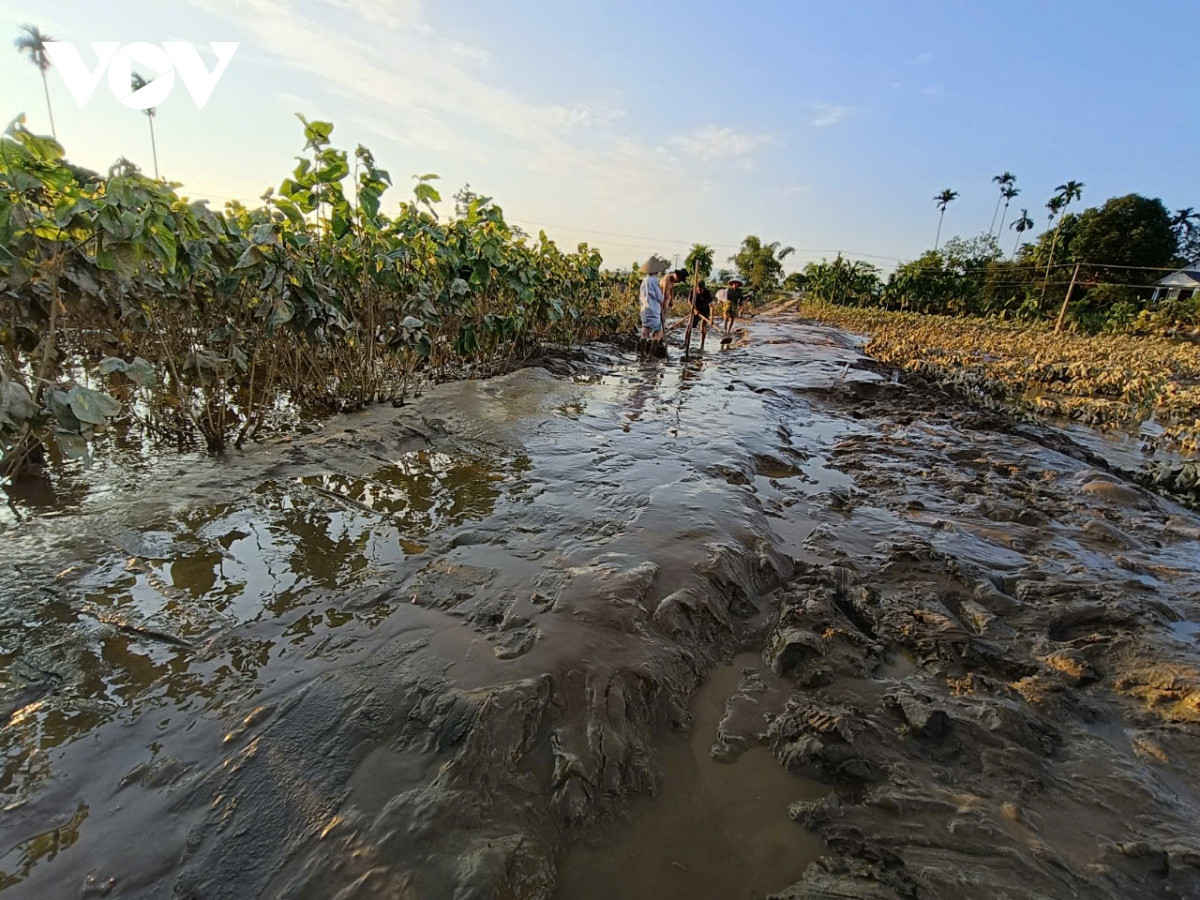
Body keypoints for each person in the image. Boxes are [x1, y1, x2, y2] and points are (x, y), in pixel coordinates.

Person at [638, 256, 668, 350]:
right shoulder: (654, 281)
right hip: (653, 310)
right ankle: (651, 355)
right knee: (659, 333)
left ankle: (642, 353)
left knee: (645, 332)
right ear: (657, 271)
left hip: (644, 310)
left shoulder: (644, 280)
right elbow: (659, 298)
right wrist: (663, 297)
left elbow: (640, 296)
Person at [690, 277, 714, 350]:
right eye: (699, 289)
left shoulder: (707, 293)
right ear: (696, 288)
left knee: (702, 327)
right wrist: (695, 309)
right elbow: (689, 301)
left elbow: (711, 306)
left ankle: (702, 343)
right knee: (690, 325)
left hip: (705, 311)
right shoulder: (692, 291)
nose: (700, 291)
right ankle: (686, 341)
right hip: (695, 309)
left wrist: (712, 317)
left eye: (702, 289)